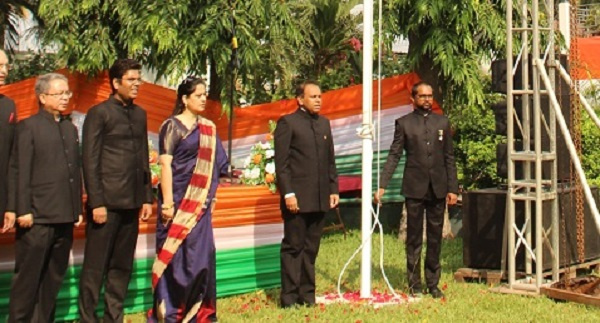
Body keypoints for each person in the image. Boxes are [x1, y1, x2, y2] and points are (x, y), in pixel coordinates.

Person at [79, 58, 153, 322]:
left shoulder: (140, 114)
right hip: (106, 204)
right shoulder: (99, 113)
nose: (137, 84)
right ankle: (88, 317)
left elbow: (143, 156)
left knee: (122, 266)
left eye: (138, 79)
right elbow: (90, 160)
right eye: (131, 80)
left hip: (132, 201)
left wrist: (147, 196)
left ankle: (114, 316)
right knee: (95, 267)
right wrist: (96, 202)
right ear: (115, 83)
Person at [148, 76, 228, 322]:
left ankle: (200, 312)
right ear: (184, 99)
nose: (204, 99)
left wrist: (210, 196)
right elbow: (165, 165)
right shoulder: (171, 126)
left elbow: (217, 165)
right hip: (177, 202)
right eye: (198, 95)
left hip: (200, 205)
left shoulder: (209, 128)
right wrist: (169, 203)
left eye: (205, 94)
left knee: (201, 258)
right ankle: (171, 311)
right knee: (174, 258)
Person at [8, 73, 83, 322]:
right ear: (42, 97)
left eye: (67, 93)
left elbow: (74, 171)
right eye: (59, 93)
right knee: (27, 282)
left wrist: (76, 209)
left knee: (52, 280)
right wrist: (23, 209)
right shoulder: (28, 127)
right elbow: (19, 170)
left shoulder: (69, 128)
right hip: (36, 218)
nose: (65, 98)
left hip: (64, 216)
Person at [374, 81, 458, 299]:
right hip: (414, 187)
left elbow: (449, 157)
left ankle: (433, 282)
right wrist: (382, 183)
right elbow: (394, 155)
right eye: (423, 96)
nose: (427, 100)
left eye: (430, 96)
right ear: (413, 99)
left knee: (435, 236)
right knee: (413, 237)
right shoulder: (403, 123)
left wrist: (453, 188)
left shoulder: (442, 122)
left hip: (438, 188)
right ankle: (414, 283)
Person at [274, 80, 339, 308]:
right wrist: (288, 194)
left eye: (320, 96)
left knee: (311, 248)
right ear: (300, 99)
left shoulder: (324, 124)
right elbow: (281, 165)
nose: (318, 100)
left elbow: (330, 160)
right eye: (313, 97)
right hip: (297, 198)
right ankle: (289, 298)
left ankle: (307, 295)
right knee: (294, 247)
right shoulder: (288, 123)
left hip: (320, 197)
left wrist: (333, 189)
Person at [0, 49, 17, 233]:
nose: (4, 71)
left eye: (6, 66)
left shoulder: (8, 105)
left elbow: (13, 158)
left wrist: (10, 205)